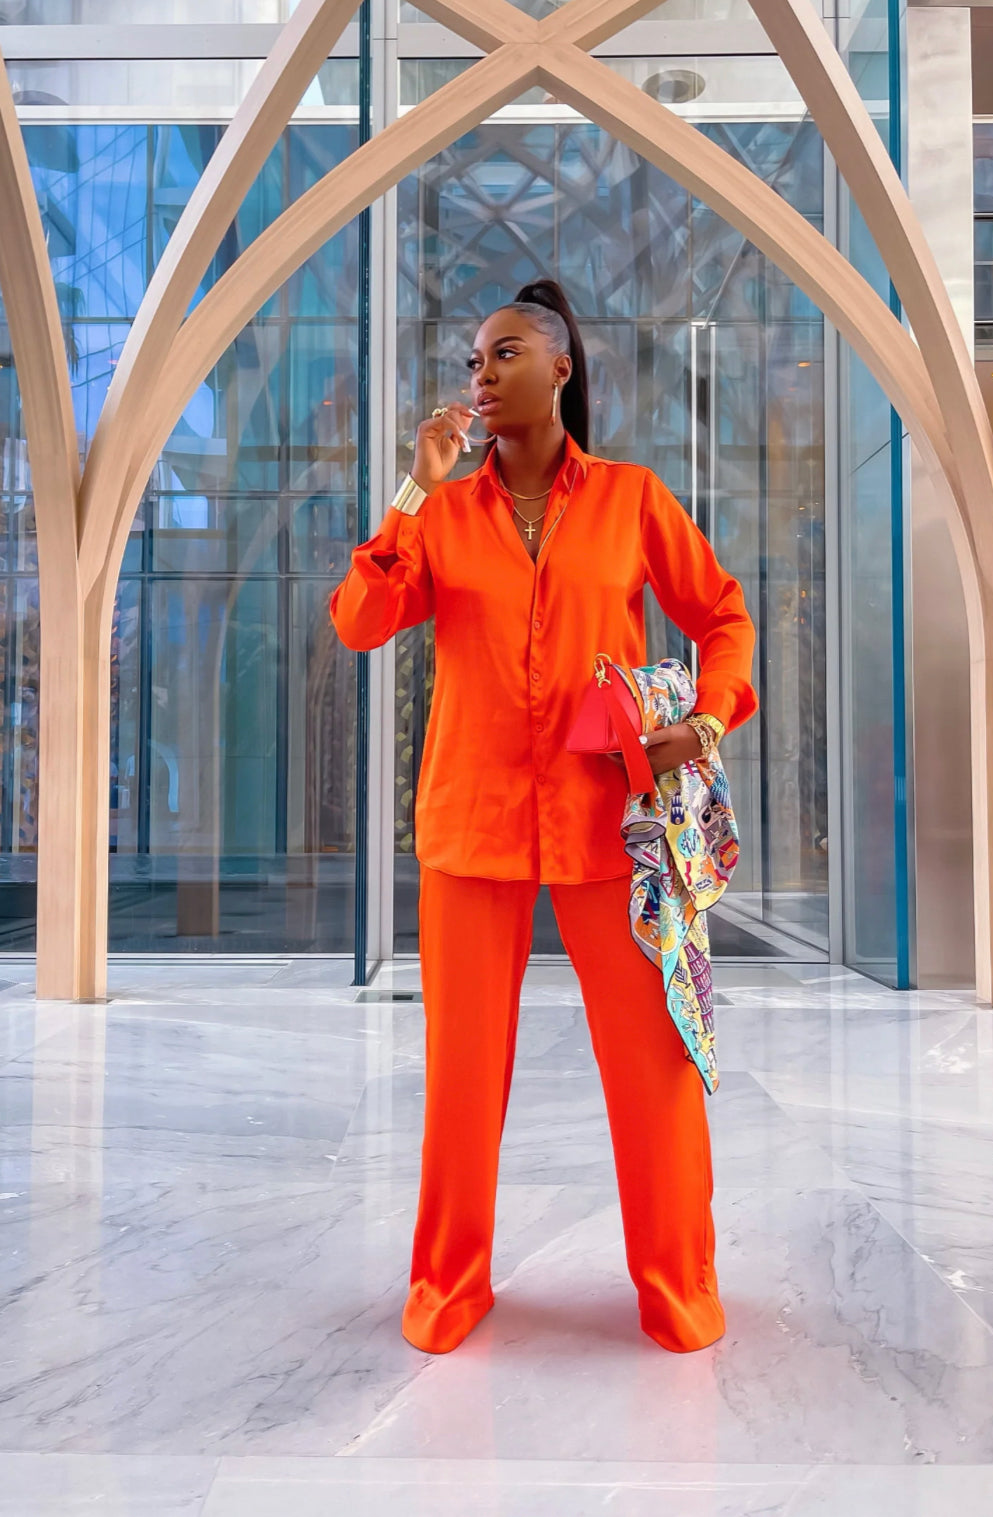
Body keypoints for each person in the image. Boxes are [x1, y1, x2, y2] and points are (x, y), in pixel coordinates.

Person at [330, 278, 758, 1356]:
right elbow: (360, 619)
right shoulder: (446, 514)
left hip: (610, 823)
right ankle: (447, 1283)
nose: (480, 372)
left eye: (503, 352)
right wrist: (412, 493)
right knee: (463, 1076)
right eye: (472, 359)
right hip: (469, 825)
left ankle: (678, 1283)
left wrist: (703, 724)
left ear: (560, 368)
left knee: (653, 1064)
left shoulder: (631, 499)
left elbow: (722, 616)